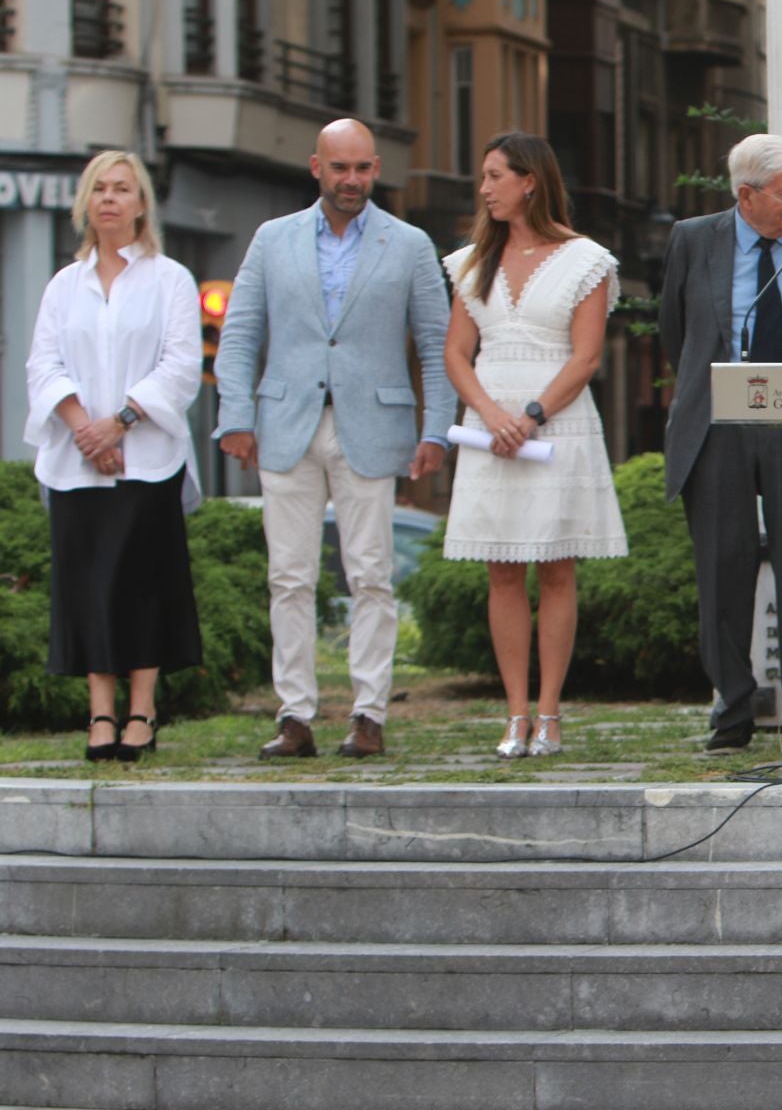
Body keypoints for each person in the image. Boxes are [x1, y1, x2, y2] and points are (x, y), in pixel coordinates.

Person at [214, 119, 454, 759]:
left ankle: (369, 713)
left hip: (374, 428)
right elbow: (240, 335)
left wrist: (435, 431)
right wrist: (234, 417)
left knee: (371, 574)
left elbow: (438, 346)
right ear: (316, 168)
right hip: (284, 424)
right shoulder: (272, 239)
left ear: (377, 169)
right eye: (339, 168)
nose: (352, 181)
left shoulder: (408, 244)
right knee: (288, 576)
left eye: (363, 169)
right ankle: (294, 715)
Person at [659, 133, 782, 755]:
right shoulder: (695, 240)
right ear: (746, 196)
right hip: (720, 425)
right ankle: (733, 703)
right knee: (724, 566)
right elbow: (677, 332)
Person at [442, 132, 626, 758]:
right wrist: (493, 415)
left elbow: (587, 355)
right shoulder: (471, 262)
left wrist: (532, 414)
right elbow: (455, 352)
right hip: (491, 429)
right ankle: (514, 713)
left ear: (530, 181)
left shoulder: (587, 260)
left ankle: (550, 712)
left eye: (496, 175)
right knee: (501, 569)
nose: (485, 188)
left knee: (555, 567)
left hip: (557, 424)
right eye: (483, 176)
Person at [25, 150, 202, 761]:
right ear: (85, 203)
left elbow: (180, 365)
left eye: (121, 188)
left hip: (145, 458)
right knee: (88, 586)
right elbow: (43, 364)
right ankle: (99, 712)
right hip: (78, 464)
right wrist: (83, 430)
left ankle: (142, 712)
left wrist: (121, 423)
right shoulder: (62, 285)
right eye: (99, 188)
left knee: (142, 583)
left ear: (141, 202)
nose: (109, 198)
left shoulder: (170, 279)